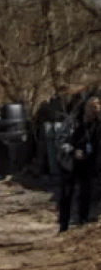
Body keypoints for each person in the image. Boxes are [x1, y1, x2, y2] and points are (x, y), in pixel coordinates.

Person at [59, 95, 101, 233]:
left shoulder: (97, 124)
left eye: (96, 107)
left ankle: (82, 221)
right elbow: (60, 141)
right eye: (90, 107)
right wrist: (72, 151)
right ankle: (63, 226)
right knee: (67, 194)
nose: (93, 110)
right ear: (85, 107)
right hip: (69, 162)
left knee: (86, 193)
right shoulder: (72, 121)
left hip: (87, 163)